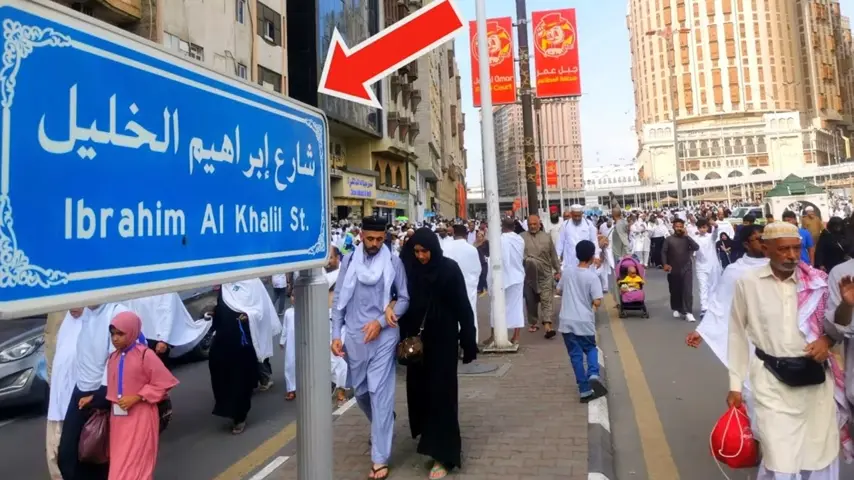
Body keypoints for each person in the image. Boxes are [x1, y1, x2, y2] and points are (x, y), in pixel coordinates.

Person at [728, 221, 849, 478]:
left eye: (796, 248)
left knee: (819, 454)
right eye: (784, 249)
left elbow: (836, 328)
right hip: (771, 382)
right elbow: (736, 333)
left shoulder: (817, 282)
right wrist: (735, 385)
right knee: (778, 455)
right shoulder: (748, 283)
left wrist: (828, 337)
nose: (792, 255)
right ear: (765, 247)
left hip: (815, 383)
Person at [331, 216, 410, 480]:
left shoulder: (393, 261)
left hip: (385, 335)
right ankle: (384, 420)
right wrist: (335, 334)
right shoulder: (349, 261)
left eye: (380, 239)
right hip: (355, 337)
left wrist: (380, 321)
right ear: (361, 235)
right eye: (370, 239)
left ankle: (380, 459)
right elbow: (340, 298)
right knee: (362, 392)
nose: (375, 244)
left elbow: (404, 299)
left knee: (379, 393)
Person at [398, 228, 478, 479]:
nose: (421, 256)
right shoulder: (408, 270)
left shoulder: (448, 270)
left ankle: (445, 455)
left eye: (425, 251)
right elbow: (399, 299)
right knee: (420, 393)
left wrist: (468, 340)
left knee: (442, 395)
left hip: (442, 343)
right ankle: (429, 440)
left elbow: (463, 307)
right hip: (417, 345)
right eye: (417, 251)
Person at [58, 303, 130, 480]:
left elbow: (118, 358)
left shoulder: (116, 311)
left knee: (97, 455)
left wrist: (98, 396)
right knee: (68, 458)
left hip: (102, 393)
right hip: (80, 389)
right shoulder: (86, 312)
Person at [105, 312, 179, 480]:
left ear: (132, 332)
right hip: (118, 420)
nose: (115, 338)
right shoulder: (113, 358)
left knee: (138, 463)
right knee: (119, 464)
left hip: (141, 417)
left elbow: (163, 383)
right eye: (113, 334)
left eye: (120, 334)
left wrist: (137, 397)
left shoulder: (145, 354)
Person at [208, 278, 277, 434]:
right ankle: (226, 408)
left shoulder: (253, 282)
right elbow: (221, 309)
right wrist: (215, 313)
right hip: (223, 339)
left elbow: (260, 311)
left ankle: (240, 416)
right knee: (217, 369)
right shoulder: (226, 284)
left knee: (241, 378)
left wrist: (248, 315)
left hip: (243, 340)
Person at [556, 240, 606, 403]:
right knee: (591, 348)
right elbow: (597, 300)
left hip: (566, 322)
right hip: (584, 321)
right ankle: (593, 373)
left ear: (577, 255)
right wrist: (592, 304)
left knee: (575, 356)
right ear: (592, 256)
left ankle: (584, 390)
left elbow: (558, 290)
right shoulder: (592, 277)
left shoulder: (568, 272)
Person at [46, 308, 86, 480]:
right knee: (54, 453)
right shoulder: (65, 326)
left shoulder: (91, 324)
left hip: (80, 401)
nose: (74, 308)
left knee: (76, 453)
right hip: (58, 402)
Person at [486, 217, 526, 344]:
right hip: (517, 277)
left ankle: (494, 335)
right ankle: (516, 337)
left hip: (501, 276)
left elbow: (497, 258)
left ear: (502, 227)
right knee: (516, 307)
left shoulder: (499, 240)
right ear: (514, 227)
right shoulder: (520, 239)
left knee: (495, 306)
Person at [520, 214, 561, 338]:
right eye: (530, 224)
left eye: (534, 224)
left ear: (539, 223)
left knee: (546, 299)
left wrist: (558, 269)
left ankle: (548, 326)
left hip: (545, 274)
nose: (532, 226)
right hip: (528, 275)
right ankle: (533, 322)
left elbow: (553, 255)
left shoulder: (547, 237)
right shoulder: (521, 238)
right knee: (530, 300)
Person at [443, 224, 483, 341]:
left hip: (450, 285)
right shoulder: (472, 249)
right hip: (469, 286)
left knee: (451, 313)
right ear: (465, 234)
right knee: (470, 312)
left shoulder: (446, 247)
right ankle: (471, 341)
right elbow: (478, 269)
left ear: (453, 233)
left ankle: (453, 341)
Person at [662, 218, 700, 322]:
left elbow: (696, 247)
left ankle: (688, 312)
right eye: (677, 226)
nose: (679, 228)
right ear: (673, 227)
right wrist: (665, 264)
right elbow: (664, 252)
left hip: (687, 267)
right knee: (675, 290)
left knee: (687, 290)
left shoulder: (686, 238)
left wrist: (687, 236)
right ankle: (677, 308)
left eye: (680, 226)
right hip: (673, 268)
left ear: (683, 227)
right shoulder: (668, 239)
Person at [693, 218, 723, 317]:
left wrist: (716, 226)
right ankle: (704, 308)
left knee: (713, 286)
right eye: (700, 228)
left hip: (713, 265)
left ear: (707, 228)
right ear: (697, 228)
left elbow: (715, 234)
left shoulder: (711, 237)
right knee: (703, 287)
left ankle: (712, 306)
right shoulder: (695, 238)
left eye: (704, 227)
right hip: (700, 266)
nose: (702, 229)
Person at [557, 205, 600, 270]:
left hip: (585, 262)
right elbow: (560, 242)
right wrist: (558, 257)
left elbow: (594, 241)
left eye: (579, 216)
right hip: (570, 261)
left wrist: (597, 256)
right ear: (571, 214)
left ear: (582, 214)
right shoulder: (565, 225)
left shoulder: (588, 224)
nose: (577, 218)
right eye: (575, 216)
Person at [279, 293, 296, 401]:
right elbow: (285, 327)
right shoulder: (288, 312)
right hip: (291, 343)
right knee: (290, 365)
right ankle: (291, 389)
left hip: (304, 342)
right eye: (293, 295)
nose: (294, 298)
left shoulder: (306, 310)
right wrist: (282, 340)